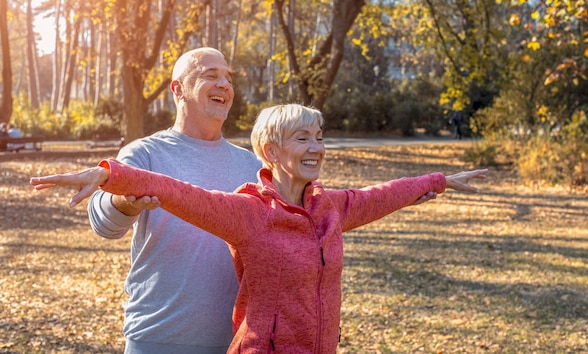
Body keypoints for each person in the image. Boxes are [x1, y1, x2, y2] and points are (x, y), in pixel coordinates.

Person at [31, 104, 487, 353]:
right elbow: (176, 192)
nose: (317, 147)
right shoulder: (249, 212)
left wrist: (438, 181)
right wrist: (111, 175)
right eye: (302, 138)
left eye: (320, 136)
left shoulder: (331, 208)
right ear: (271, 149)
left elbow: (381, 194)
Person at [86, 47, 263, 353]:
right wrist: (127, 203)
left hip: (237, 341)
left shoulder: (251, 166)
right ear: (178, 89)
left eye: (228, 78)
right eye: (211, 75)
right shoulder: (145, 153)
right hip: (158, 337)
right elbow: (103, 223)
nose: (224, 84)